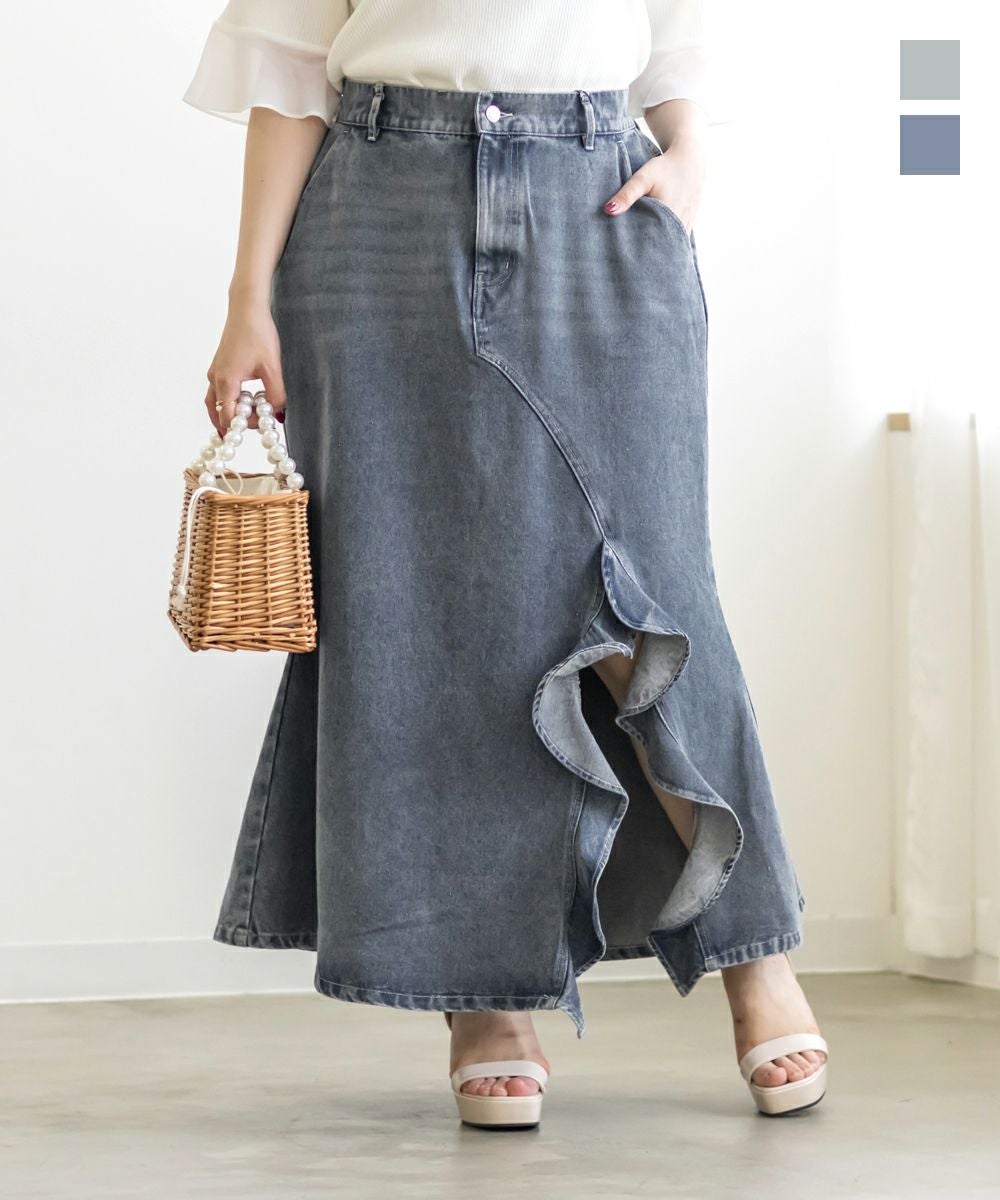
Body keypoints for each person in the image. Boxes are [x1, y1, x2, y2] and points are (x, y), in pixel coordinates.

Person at [183, 0, 829, 1129]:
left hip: (600, 197)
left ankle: (755, 954)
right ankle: (484, 997)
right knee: (427, 602)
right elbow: (288, 66)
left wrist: (689, 149)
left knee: (656, 602)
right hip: (381, 213)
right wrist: (247, 299)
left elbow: (676, 29)